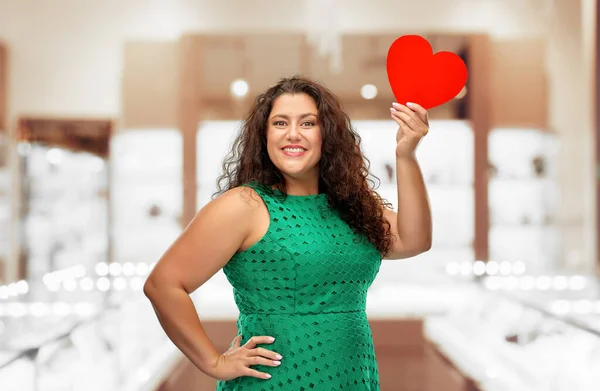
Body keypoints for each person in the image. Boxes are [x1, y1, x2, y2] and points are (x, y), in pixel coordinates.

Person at [143, 75, 432, 390]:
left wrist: (406, 155)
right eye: (280, 123)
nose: (293, 134)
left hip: (352, 377)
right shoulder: (245, 206)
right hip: (277, 381)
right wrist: (214, 362)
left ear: (328, 135)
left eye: (308, 124)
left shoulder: (353, 207)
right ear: (264, 135)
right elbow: (163, 285)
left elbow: (413, 239)